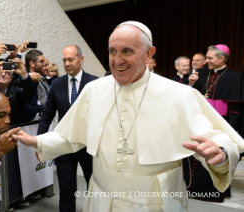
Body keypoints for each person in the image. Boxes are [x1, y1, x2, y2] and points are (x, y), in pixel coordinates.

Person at [13, 21, 244, 211]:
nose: (117, 60)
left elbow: (221, 139)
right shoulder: (95, 90)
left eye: (127, 51)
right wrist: (39, 141)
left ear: (148, 54)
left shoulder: (179, 94)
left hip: (157, 201)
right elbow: (72, 135)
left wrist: (222, 153)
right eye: (112, 51)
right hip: (102, 198)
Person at [38, 45, 97, 212]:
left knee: (94, 189)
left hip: (88, 146)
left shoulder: (94, 83)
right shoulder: (57, 84)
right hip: (64, 145)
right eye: (64, 60)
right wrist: (39, 141)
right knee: (66, 191)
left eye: (71, 59)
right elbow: (48, 114)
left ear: (81, 59)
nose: (67, 63)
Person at [187, 44, 243, 202]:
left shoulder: (234, 78)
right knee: (196, 155)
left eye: (210, 58)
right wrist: (191, 84)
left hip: (220, 126)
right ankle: (193, 189)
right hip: (199, 123)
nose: (206, 62)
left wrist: (232, 131)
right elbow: (189, 97)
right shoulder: (201, 74)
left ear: (222, 58)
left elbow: (236, 109)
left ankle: (212, 192)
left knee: (213, 157)